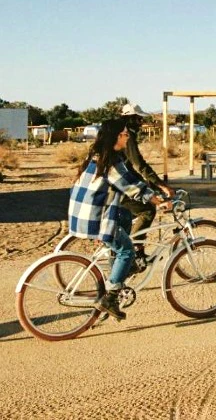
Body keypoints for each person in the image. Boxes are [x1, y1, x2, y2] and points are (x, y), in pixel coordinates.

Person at [68, 118, 171, 320]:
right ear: (116, 137)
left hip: (82, 213)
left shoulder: (98, 155)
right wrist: (160, 202)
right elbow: (132, 185)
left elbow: (131, 181)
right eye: (124, 134)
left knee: (124, 215)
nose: (128, 136)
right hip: (95, 218)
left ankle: (121, 267)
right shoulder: (112, 163)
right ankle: (111, 297)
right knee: (126, 250)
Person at [119, 103, 176, 268]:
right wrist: (161, 185)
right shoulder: (125, 135)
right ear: (129, 119)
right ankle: (136, 251)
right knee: (147, 210)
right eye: (137, 118)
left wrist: (152, 186)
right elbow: (139, 165)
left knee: (129, 215)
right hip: (118, 184)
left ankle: (132, 250)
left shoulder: (121, 133)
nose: (140, 122)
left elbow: (132, 168)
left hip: (119, 181)